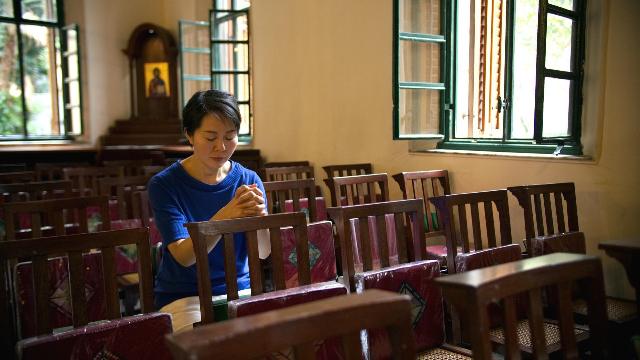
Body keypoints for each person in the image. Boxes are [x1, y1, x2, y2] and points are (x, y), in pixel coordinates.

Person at [148, 89, 270, 332]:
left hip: (242, 291)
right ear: (189, 135)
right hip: (186, 296)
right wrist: (227, 214)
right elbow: (185, 256)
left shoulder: (248, 179)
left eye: (230, 136)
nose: (221, 147)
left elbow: (264, 252)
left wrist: (261, 218)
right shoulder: (165, 185)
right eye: (211, 137)